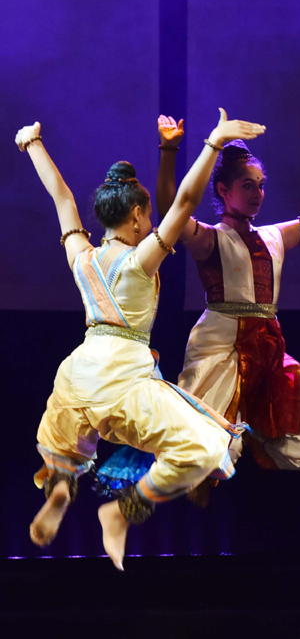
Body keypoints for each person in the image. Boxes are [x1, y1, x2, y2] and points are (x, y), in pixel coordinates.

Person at [17, 109, 265, 569]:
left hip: (78, 372)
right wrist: (212, 143)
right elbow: (186, 203)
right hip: (125, 377)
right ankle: (123, 511)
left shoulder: (81, 257)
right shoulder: (139, 262)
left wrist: (32, 143)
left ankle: (58, 492)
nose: (152, 223)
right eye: (148, 216)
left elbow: (62, 197)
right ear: (135, 216)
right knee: (209, 447)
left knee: (68, 445)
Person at [142, 115, 300, 484]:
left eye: (261, 186)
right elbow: (173, 207)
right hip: (220, 343)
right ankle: (228, 437)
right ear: (223, 189)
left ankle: (251, 432)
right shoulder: (209, 238)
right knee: (207, 454)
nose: (257, 194)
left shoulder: (274, 237)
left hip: (266, 344)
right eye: (247, 186)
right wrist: (169, 149)